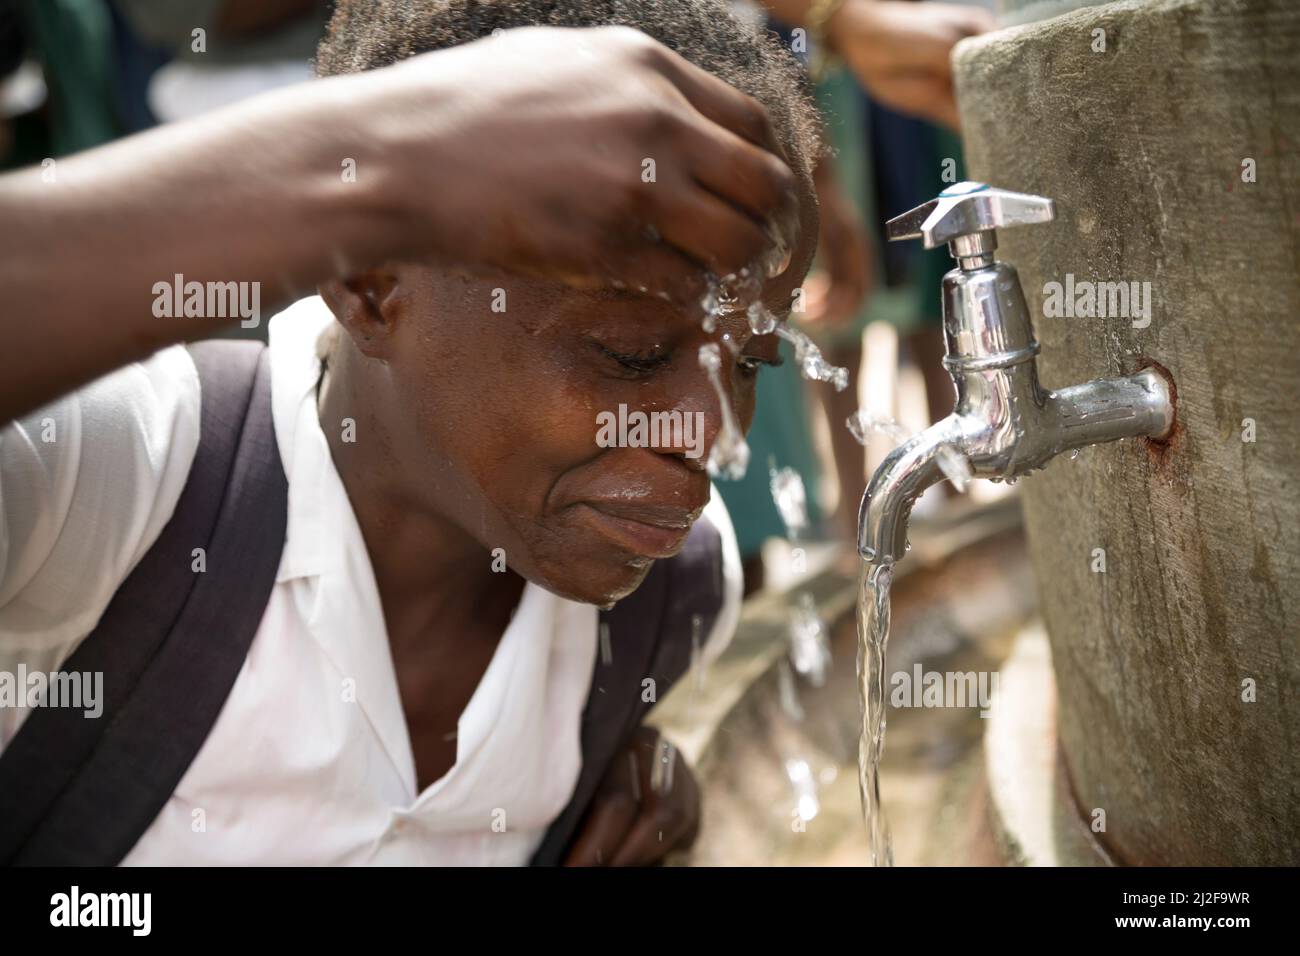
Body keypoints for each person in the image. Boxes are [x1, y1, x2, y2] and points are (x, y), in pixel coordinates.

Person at [0, 0, 819, 865]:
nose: (709, 434)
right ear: (370, 287)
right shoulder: (113, 487)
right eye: (632, 353)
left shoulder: (675, 596)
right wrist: (374, 162)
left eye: (749, 363)